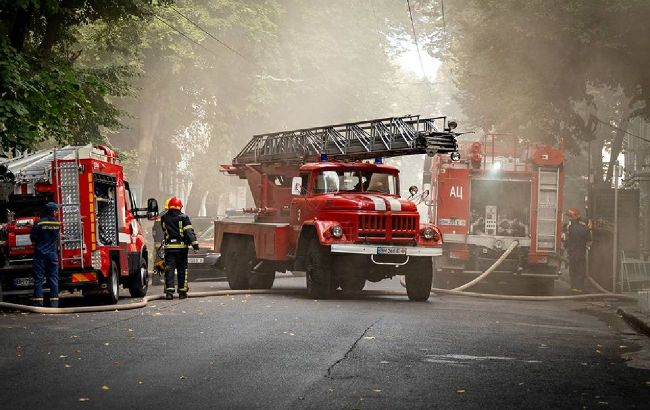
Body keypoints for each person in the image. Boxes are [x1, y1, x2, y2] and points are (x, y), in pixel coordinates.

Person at [160, 196, 199, 300]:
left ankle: (169, 292)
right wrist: (195, 245)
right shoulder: (183, 217)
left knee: (169, 269)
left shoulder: (164, 218)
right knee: (182, 270)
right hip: (182, 249)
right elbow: (189, 232)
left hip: (169, 249)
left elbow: (164, 231)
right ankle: (182, 292)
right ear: (179, 207)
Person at [30, 202, 61, 307]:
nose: (57, 212)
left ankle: (38, 303)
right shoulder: (57, 224)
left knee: (38, 279)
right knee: (53, 279)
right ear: (52, 211)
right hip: (52, 255)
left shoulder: (39, 223)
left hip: (40, 254)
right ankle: (54, 304)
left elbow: (33, 238)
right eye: (56, 210)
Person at [563, 207, 591, 292]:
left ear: (574, 217)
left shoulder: (570, 228)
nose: (569, 218)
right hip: (581, 254)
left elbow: (566, 241)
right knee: (580, 271)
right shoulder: (585, 229)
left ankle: (574, 288)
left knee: (573, 271)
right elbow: (589, 241)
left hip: (572, 254)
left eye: (570, 217)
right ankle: (579, 288)